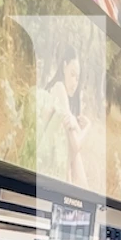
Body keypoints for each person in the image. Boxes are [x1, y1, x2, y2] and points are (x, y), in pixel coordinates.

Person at [36, 49, 93, 191]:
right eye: (72, 74)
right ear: (64, 66)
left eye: (77, 78)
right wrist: (87, 127)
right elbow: (76, 145)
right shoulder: (59, 88)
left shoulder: (56, 91)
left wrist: (76, 125)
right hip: (44, 161)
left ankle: (73, 187)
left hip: (49, 163)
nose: (75, 82)